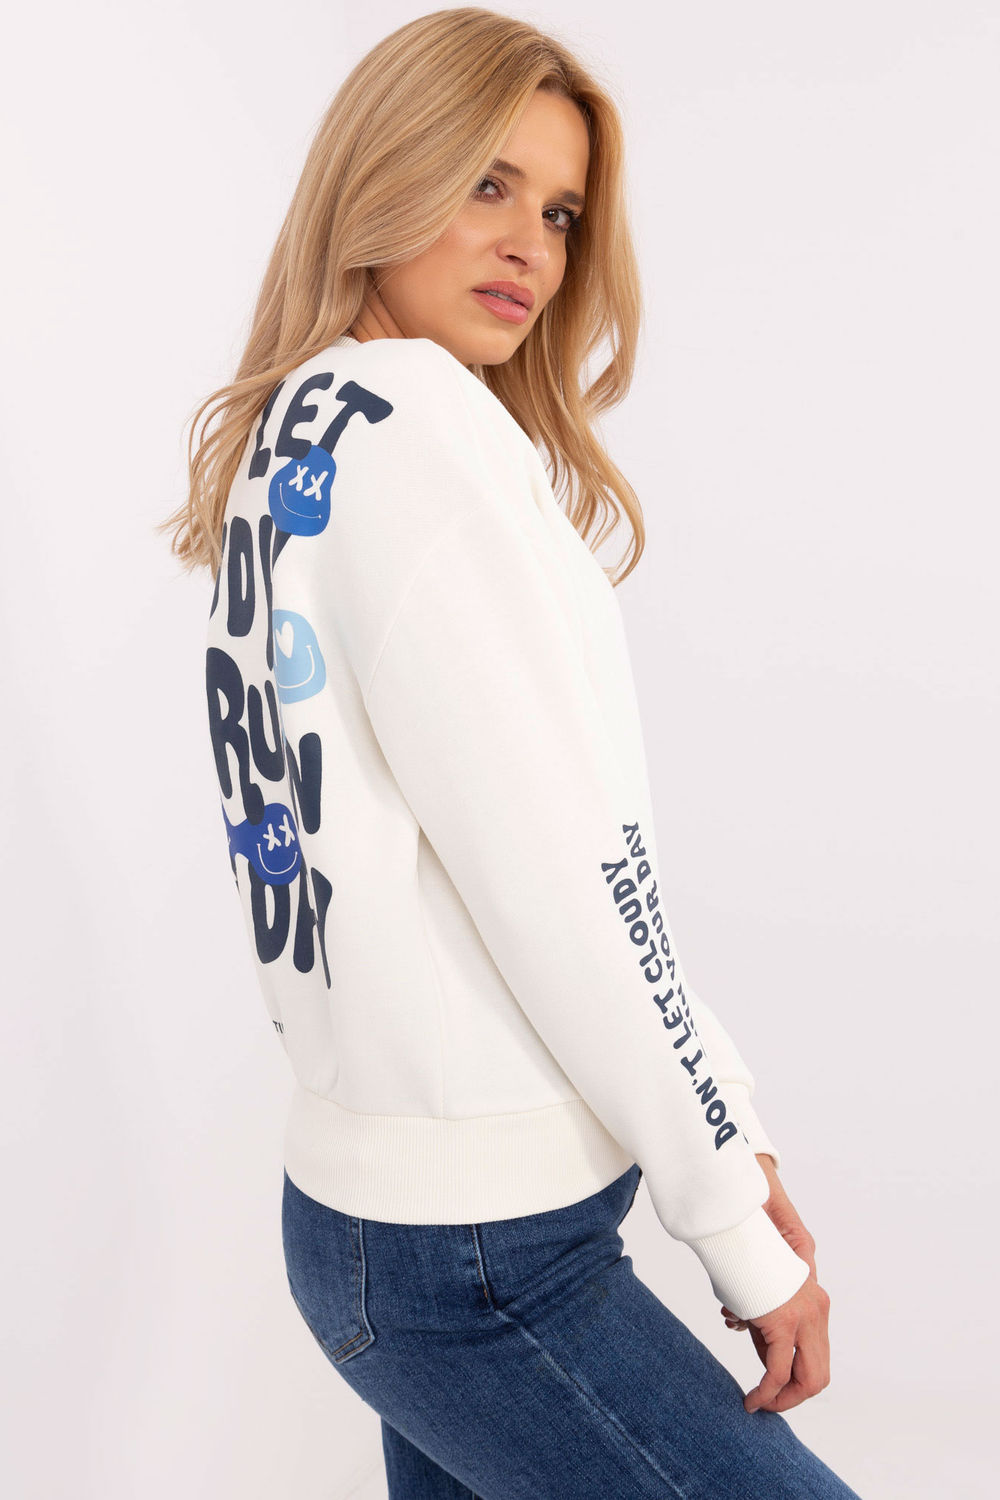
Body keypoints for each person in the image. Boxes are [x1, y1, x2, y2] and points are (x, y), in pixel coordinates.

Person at [158, 8, 863, 1497]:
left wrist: (724, 1118)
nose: (530, 245)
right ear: (383, 170)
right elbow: (568, 882)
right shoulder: (422, 434)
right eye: (487, 182)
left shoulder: (301, 429)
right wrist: (732, 1218)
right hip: (483, 1256)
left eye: (559, 211)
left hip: (368, 1215)